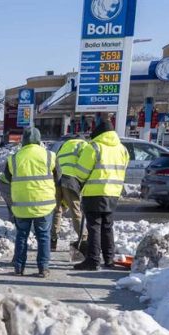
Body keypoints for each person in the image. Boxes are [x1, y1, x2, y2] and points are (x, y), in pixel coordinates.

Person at [72, 113, 129, 271]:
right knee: (107, 227)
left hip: (94, 193)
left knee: (94, 227)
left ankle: (93, 260)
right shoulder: (122, 149)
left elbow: (81, 172)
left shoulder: (94, 147)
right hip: (113, 193)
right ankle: (109, 259)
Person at [3, 127, 56, 277]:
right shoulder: (49, 156)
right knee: (43, 235)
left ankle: (19, 268)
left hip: (21, 205)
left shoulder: (14, 158)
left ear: (23, 140)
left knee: (21, 235)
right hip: (44, 204)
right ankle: (43, 268)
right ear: (39, 140)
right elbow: (58, 177)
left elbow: (7, 178)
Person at [51, 134, 88, 251]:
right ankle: (84, 240)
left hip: (57, 179)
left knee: (57, 210)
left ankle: (53, 241)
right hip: (70, 179)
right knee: (75, 211)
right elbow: (86, 165)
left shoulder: (64, 145)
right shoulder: (84, 145)